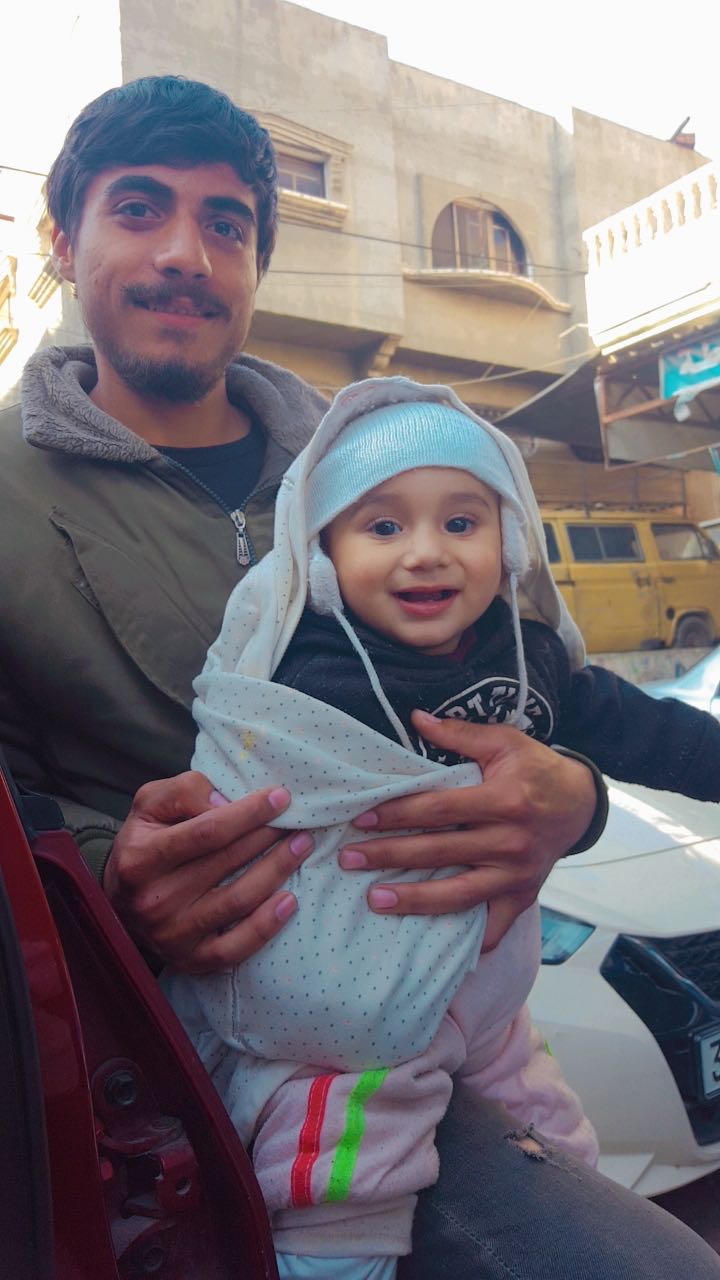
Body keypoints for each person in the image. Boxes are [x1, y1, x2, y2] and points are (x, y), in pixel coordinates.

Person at [0, 74, 717, 1279]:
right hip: (179, 1049)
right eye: (139, 208)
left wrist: (575, 799)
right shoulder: (10, 504)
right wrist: (113, 874)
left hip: (438, 1005)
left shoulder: (385, 466)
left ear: (258, 261)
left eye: (226, 222)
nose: (185, 253)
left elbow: (548, 686)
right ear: (63, 241)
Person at [165, 378, 720, 1278]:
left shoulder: (531, 657)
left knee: (560, 1144)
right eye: (383, 527)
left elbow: (651, 733)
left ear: (510, 543)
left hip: (489, 1001)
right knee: (344, 1190)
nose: (426, 553)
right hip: (357, 1028)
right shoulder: (304, 669)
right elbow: (235, 771)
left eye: (462, 522)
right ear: (323, 555)